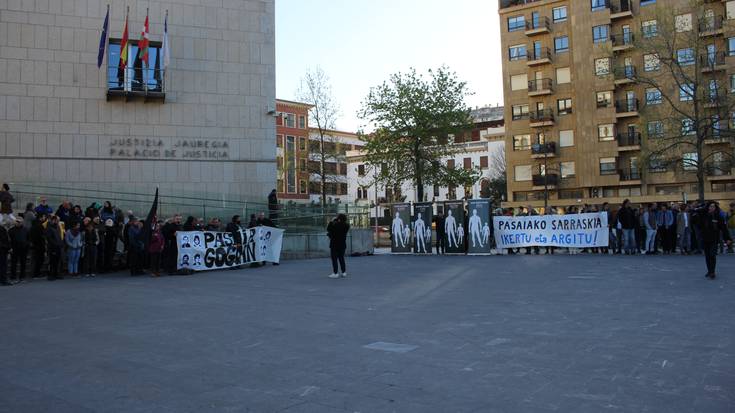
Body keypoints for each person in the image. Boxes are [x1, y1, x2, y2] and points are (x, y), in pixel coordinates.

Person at [696, 201, 732, 279]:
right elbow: (698, 225)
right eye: (710, 206)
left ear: (715, 208)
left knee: (712, 255)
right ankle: (709, 271)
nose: (712, 208)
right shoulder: (703, 216)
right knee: (707, 256)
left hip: (714, 239)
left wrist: (727, 238)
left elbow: (724, 228)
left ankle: (712, 272)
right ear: (708, 207)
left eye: (713, 206)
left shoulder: (718, 217)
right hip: (705, 238)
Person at [327, 213, 350, 279]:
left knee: (334, 259)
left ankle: (335, 273)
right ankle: (344, 272)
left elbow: (328, 229)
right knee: (341, 258)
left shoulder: (335, 225)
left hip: (334, 244)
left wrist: (332, 221)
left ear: (339, 218)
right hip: (342, 244)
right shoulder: (346, 225)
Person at [9, 218, 29, 283]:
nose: (18, 223)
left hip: (23, 249)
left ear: (22, 222)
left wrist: (27, 245)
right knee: (13, 263)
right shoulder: (11, 230)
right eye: (17, 221)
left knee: (23, 263)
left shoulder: (26, 229)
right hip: (14, 249)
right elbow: (9, 240)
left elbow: (28, 238)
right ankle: (13, 277)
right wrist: (10, 248)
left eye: (19, 221)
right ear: (15, 222)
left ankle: (22, 277)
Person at [45, 215, 64, 280]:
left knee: (57, 261)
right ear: (53, 220)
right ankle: (51, 275)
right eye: (57, 220)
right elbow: (49, 238)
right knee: (51, 262)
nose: (58, 221)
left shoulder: (57, 226)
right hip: (52, 247)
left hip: (58, 247)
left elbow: (59, 236)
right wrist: (55, 244)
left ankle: (56, 274)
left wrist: (60, 244)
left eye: (58, 220)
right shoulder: (49, 227)